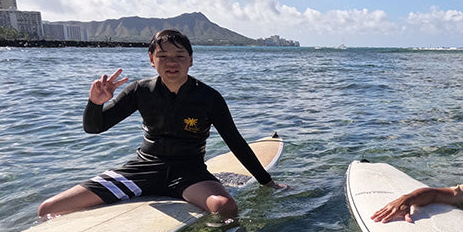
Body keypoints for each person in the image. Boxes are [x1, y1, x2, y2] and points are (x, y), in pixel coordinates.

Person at [38, 29, 283, 221]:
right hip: (144, 169)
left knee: (225, 206)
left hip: (189, 173)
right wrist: (95, 103)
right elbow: (95, 127)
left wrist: (266, 182)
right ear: (151, 60)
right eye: (163, 56)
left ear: (191, 60)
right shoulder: (140, 90)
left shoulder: (208, 98)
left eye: (179, 56)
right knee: (49, 208)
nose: (171, 62)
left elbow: (236, 142)